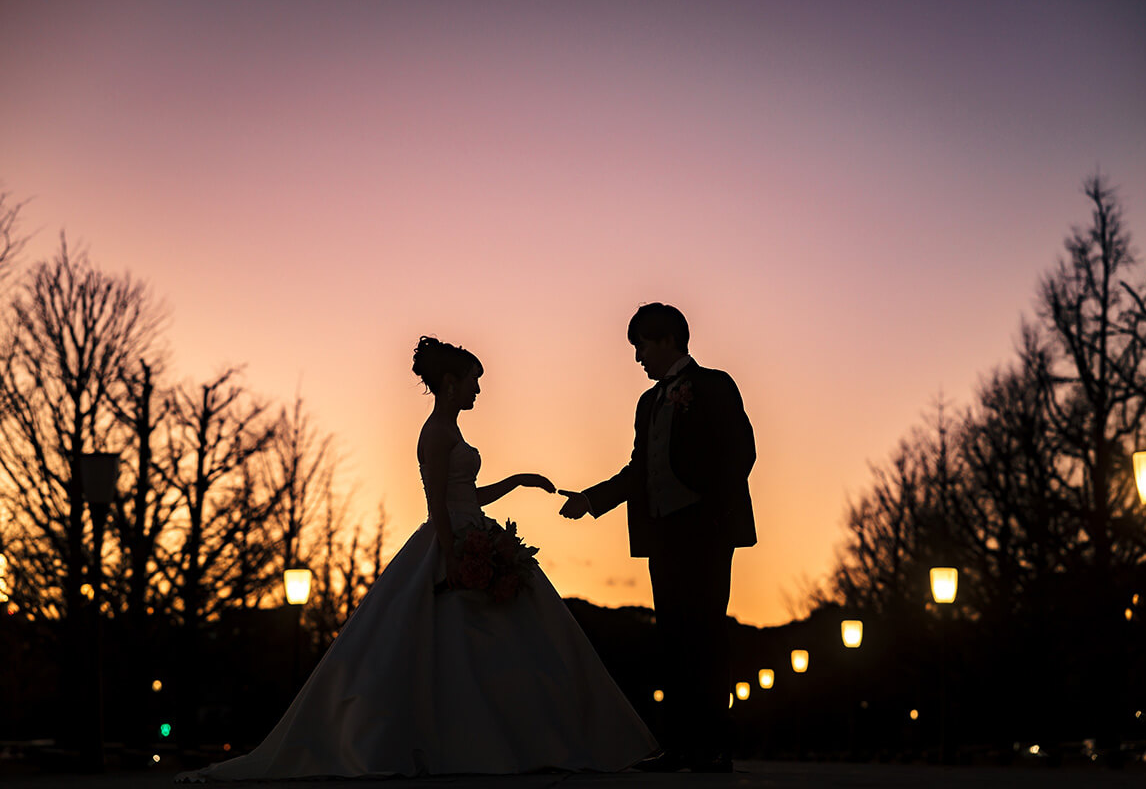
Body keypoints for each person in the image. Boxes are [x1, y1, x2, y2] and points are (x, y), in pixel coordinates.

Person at [176, 336, 657, 782]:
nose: (478, 390)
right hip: (452, 542)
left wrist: (517, 482)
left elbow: (466, 494)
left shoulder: (451, 430)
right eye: (474, 381)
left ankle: (516, 741)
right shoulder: (434, 434)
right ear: (450, 383)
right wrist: (452, 558)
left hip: (474, 533)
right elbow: (438, 506)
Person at [558, 303, 756, 773]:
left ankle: (713, 746)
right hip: (663, 534)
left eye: (641, 346)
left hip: (705, 533)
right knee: (671, 637)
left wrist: (713, 514)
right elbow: (639, 470)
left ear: (667, 339)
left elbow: (741, 453)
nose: (637, 358)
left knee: (706, 634)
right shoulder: (647, 404)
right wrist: (592, 500)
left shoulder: (715, 385)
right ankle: (679, 746)